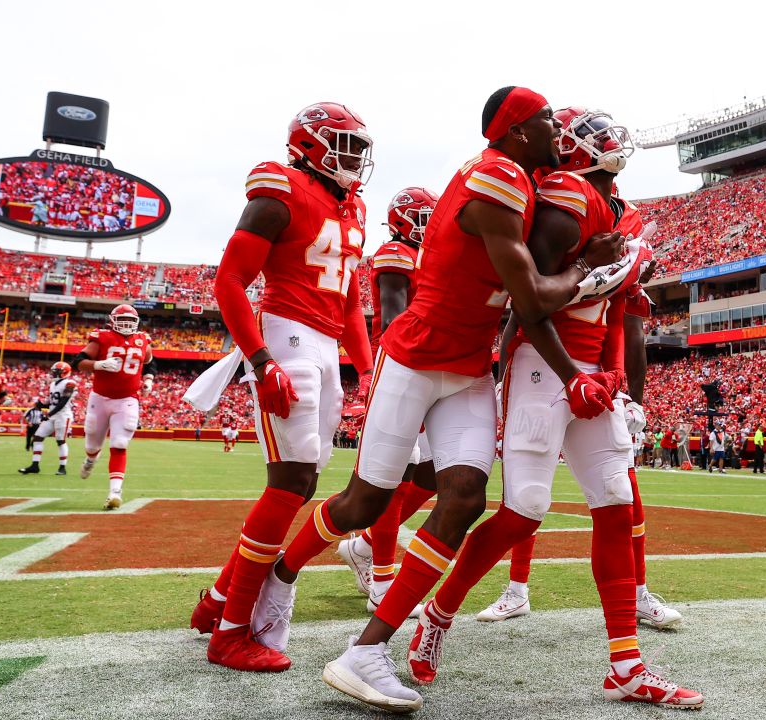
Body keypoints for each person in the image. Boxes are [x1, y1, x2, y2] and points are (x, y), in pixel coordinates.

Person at [250, 88, 623, 711]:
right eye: (542, 123)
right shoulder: (495, 174)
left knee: (464, 499)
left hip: (471, 367)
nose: (556, 131)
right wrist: (589, 274)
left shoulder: (529, 180)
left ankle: (367, 651)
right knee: (365, 502)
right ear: (516, 132)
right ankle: (281, 575)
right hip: (417, 358)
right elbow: (531, 297)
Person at [406, 105, 698, 708]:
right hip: (544, 364)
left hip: (592, 369)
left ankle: (626, 664)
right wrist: (571, 376)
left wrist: (614, 372)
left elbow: (621, 309)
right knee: (525, 508)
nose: (607, 138)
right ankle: (437, 614)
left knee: (615, 502)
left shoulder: (620, 210)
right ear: (568, 149)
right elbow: (528, 302)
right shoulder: (564, 195)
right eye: (587, 132)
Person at [189, 102, 376, 674]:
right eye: (343, 144)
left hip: (323, 342)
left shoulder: (354, 206)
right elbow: (231, 280)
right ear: (311, 144)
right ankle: (230, 632)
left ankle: (220, 600)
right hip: (286, 335)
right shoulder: (282, 187)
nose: (354, 158)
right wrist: (260, 357)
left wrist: (366, 368)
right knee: (290, 481)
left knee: (304, 479)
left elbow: (348, 300)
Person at [477, 189, 683, 634]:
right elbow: (524, 312)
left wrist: (632, 397)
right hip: (545, 373)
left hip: (599, 383)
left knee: (623, 496)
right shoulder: (559, 253)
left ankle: (637, 597)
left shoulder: (624, 277)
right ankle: (515, 590)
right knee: (527, 497)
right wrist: (503, 377)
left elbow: (627, 332)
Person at [336, 187, 441, 617]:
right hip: (400, 361)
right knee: (394, 478)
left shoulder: (432, 257)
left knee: (433, 474)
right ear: (401, 220)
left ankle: (362, 545)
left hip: (431, 364)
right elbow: (397, 315)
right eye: (422, 217)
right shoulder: (394, 252)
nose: (428, 226)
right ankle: (382, 579)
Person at [72, 304, 157, 510]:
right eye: (123, 321)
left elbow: (149, 362)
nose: (127, 325)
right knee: (92, 444)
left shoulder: (142, 339)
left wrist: (148, 379)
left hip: (128, 399)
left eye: (131, 321)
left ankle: (114, 492)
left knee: (120, 443)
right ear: (112, 321)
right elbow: (78, 362)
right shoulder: (102, 337)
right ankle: (91, 460)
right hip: (100, 398)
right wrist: (98, 365)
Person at [19, 362, 77, 476]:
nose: (54, 373)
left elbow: (62, 403)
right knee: (38, 437)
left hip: (63, 415)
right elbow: (52, 403)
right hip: (53, 414)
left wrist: (49, 414)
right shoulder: (53, 384)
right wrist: (40, 405)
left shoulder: (70, 383)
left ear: (64, 373)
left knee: (60, 440)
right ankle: (35, 465)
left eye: (57, 371)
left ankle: (62, 467)